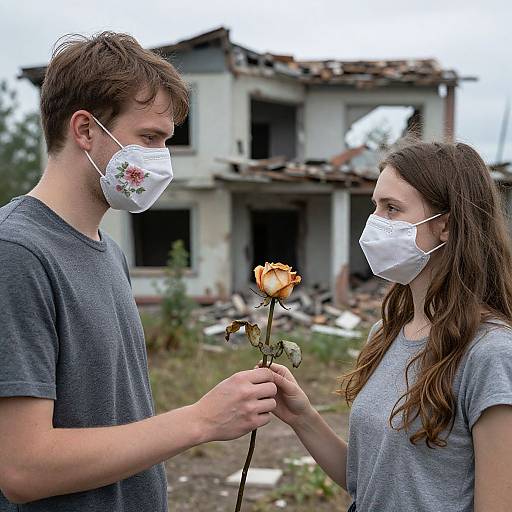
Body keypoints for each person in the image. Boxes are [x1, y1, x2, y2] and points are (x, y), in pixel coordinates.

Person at [0, 32, 277, 511]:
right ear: (85, 130)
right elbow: (24, 469)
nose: (160, 160)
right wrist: (201, 421)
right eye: (149, 138)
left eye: (166, 142)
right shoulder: (17, 254)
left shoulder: (108, 252)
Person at [268, 140, 512, 511]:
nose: (375, 223)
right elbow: (369, 481)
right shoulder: (385, 334)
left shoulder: (491, 353)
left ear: (445, 225)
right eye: (375, 207)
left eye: (392, 209)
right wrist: (302, 418)